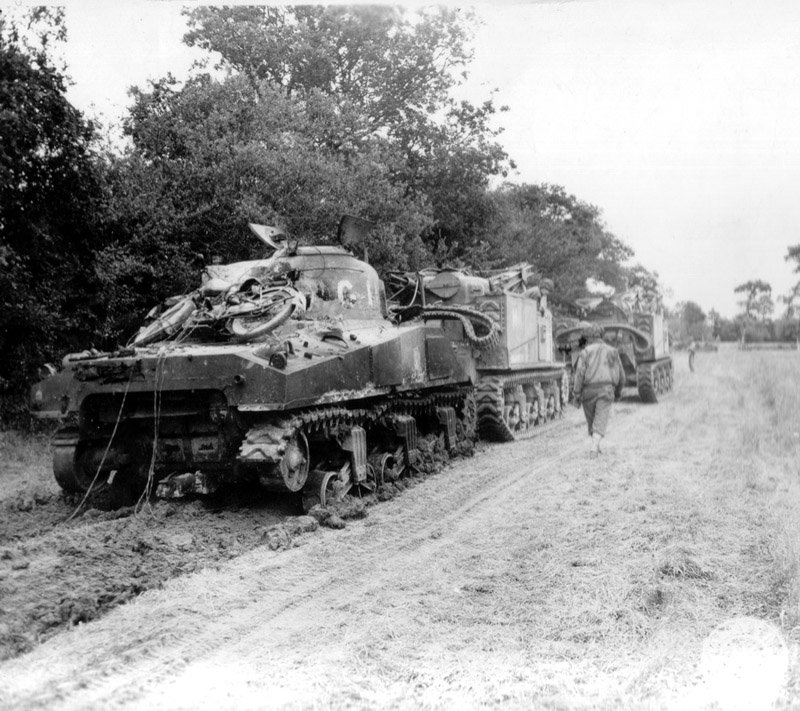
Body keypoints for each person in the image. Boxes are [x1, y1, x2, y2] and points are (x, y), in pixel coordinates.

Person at [572, 323, 624, 456]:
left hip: (588, 391)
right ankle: (594, 447)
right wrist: (618, 392)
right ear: (602, 336)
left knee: (592, 421)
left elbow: (579, 374)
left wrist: (576, 394)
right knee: (601, 418)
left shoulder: (585, 352)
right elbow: (621, 375)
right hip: (606, 390)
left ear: (589, 337)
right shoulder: (612, 351)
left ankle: (595, 445)